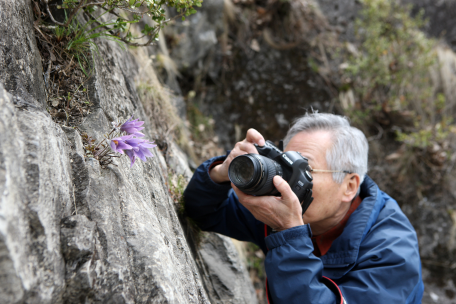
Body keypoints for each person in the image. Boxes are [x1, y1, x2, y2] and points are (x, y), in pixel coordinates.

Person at [184, 112, 424, 304]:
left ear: (349, 186)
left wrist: (288, 234)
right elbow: (203, 211)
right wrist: (222, 172)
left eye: (306, 170)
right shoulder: (280, 204)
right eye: (287, 166)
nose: (289, 182)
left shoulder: (393, 254)